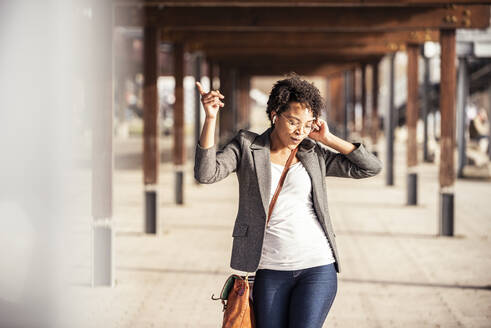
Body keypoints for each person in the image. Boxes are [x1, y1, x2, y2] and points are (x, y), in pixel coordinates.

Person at [194, 73, 383, 328]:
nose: (300, 131)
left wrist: (328, 139)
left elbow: (370, 167)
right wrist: (211, 119)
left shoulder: (312, 153)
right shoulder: (247, 146)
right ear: (274, 115)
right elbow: (206, 174)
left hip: (317, 266)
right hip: (270, 270)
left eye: (307, 125)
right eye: (294, 122)